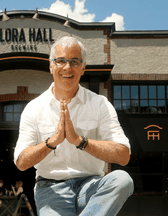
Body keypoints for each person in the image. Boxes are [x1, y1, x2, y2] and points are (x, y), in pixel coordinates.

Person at [14, 36, 134, 216]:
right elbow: (21, 162)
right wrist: (51, 142)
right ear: (51, 66)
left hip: (91, 186)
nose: (67, 67)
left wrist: (79, 141)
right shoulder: (34, 108)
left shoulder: (99, 103)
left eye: (74, 61)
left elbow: (123, 155)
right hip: (51, 188)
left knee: (122, 179)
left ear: (83, 67)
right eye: (61, 61)